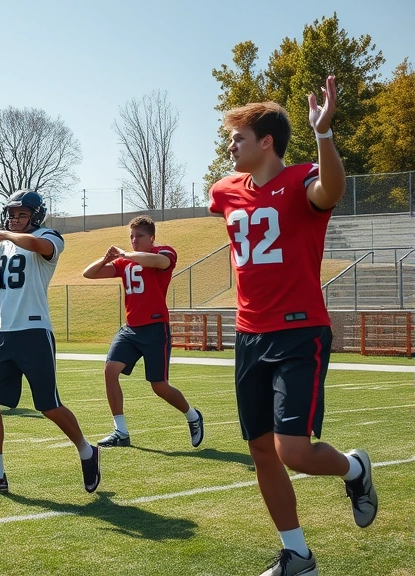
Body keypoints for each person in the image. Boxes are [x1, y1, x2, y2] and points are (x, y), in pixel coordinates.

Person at [209, 76, 376, 575]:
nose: (230, 144)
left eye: (239, 136)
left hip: (298, 331)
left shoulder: (302, 178)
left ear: (266, 142)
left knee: (294, 450)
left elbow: (331, 190)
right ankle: (297, 554)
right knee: (262, 449)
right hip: (248, 333)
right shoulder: (225, 191)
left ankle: (355, 467)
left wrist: (323, 135)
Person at [0, 190, 100, 496]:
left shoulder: (49, 236)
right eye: (11, 214)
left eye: (22, 214)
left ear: (35, 216)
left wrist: (5, 234)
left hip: (35, 332)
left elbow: (37, 245)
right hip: (6, 334)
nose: (15, 219)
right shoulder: (3, 244)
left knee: (48, 405)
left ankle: (87, 450)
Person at [81, 216, 204, 448]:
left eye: (139, 236)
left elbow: (158, 262)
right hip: (130, 329)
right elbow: (88, 273)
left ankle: (192, 416)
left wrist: (125, 254)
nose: (134, 241)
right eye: (131, 237)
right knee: (110, 370)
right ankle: (121, 431)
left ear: (152, 238)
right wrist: (106, 258)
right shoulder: (124, 262)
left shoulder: (164, 252)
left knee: (159, 386)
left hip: (155, 328)